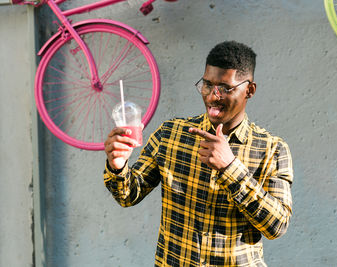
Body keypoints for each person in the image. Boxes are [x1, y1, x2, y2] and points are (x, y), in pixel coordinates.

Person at [103, 41, 294, 266]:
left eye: (225, 88)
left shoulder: (272, 149)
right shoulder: (170, 134)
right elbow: (128, 195)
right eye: (207, 84)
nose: (213, 96)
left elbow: (277, 226)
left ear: (249, 90)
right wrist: (118, 166)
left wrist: (230, 168)